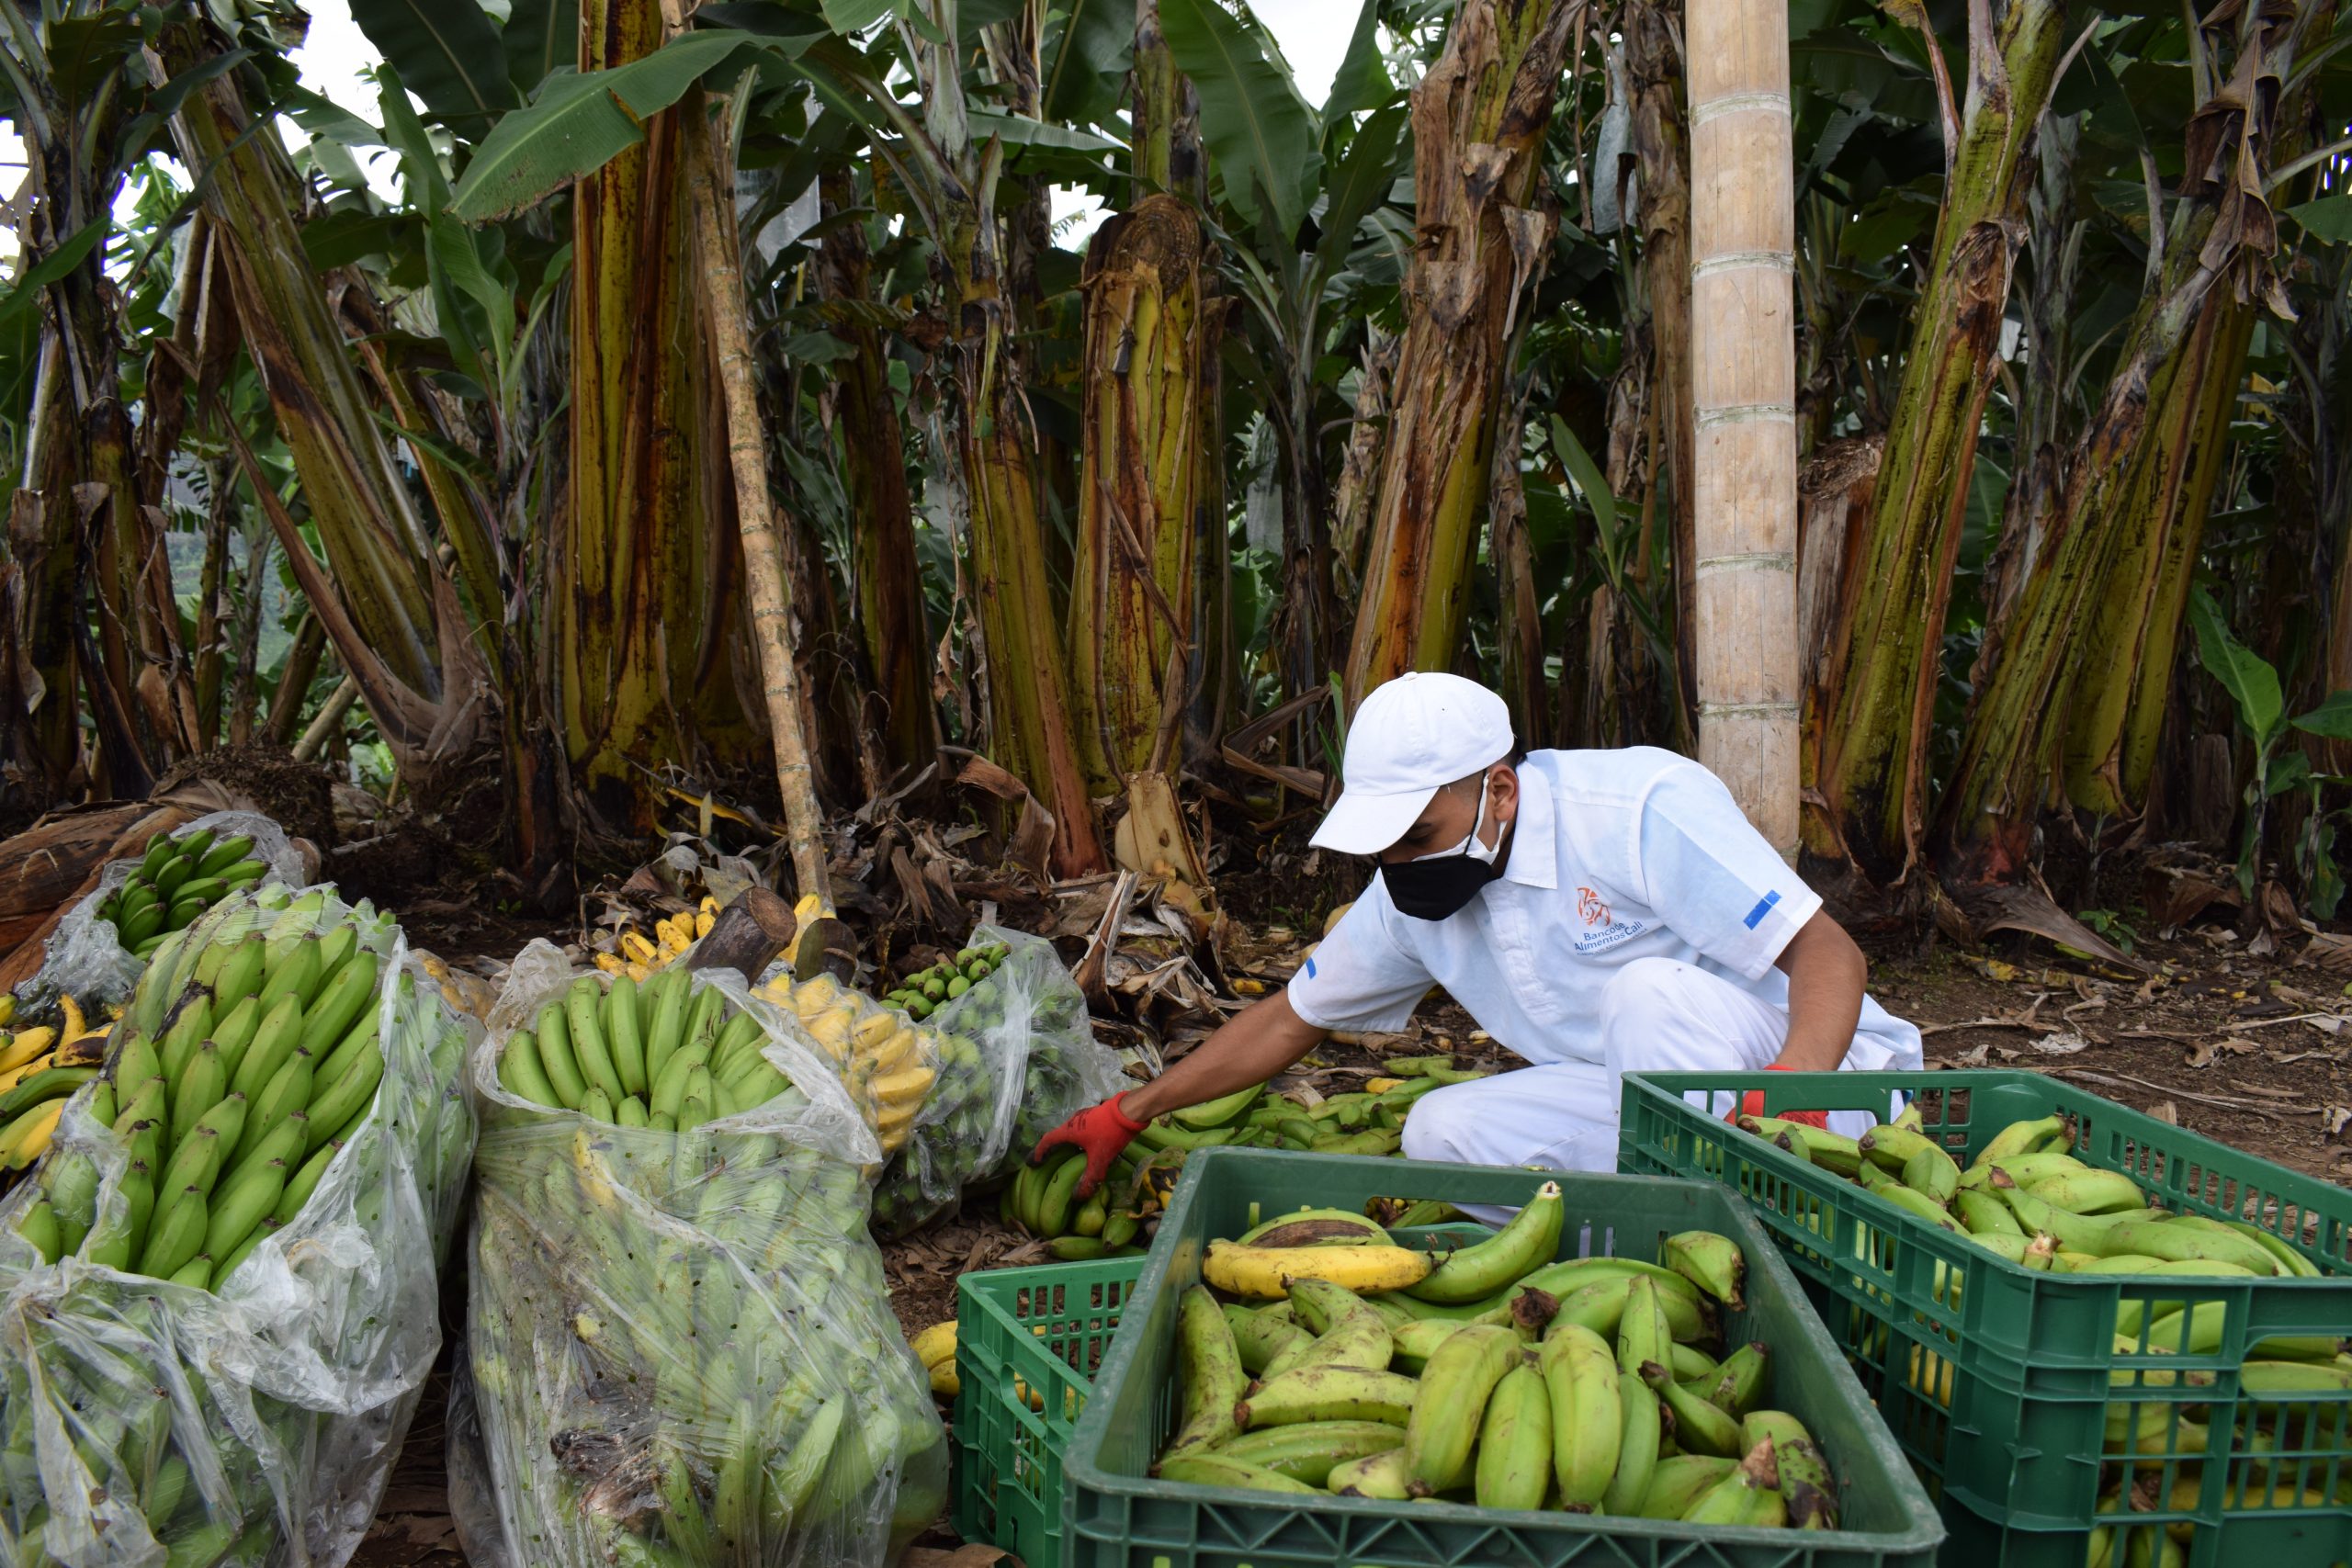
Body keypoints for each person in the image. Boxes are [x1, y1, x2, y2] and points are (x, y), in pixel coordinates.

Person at [1030, 671, 1922, 1201]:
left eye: (1417, 835)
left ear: (1498, 789)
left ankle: (1750, 1228)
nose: (1401, 864)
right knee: (1440, 1131)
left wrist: (1795, 1087)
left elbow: (1829, 953)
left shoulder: (1635, 807)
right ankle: (1648, 1256)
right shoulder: (1411, 893)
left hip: (1818, 1088)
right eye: (1383, 847)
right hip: (1657, 1112)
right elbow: (1291, 1019)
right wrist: (1130, 1110)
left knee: (1644, 996)